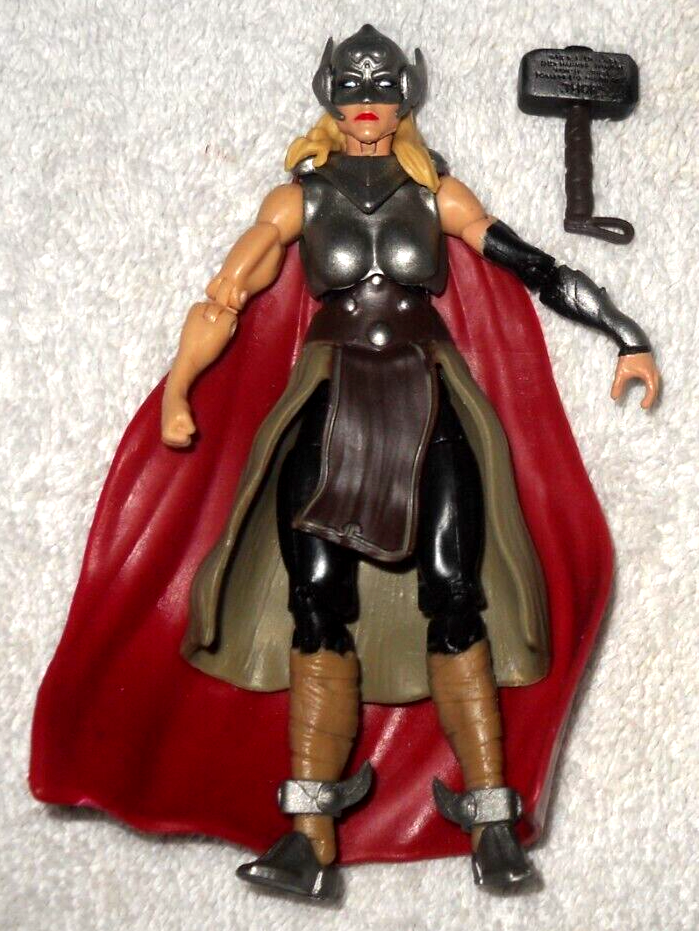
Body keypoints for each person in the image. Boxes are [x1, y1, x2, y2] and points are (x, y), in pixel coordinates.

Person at [158, 25, 659, 899]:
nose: (366, 103)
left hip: (426, 396)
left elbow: (531, 263)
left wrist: (622, 329)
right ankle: (309, 835)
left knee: (455, 587)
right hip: (331, 395)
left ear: (404, 101)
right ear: (329, 98)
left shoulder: (436, 194)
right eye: (352, 89)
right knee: (314, 593)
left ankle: (492, 821)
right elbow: (224, 294)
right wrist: (178, 389)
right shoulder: (297, 200)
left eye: (383, 89)